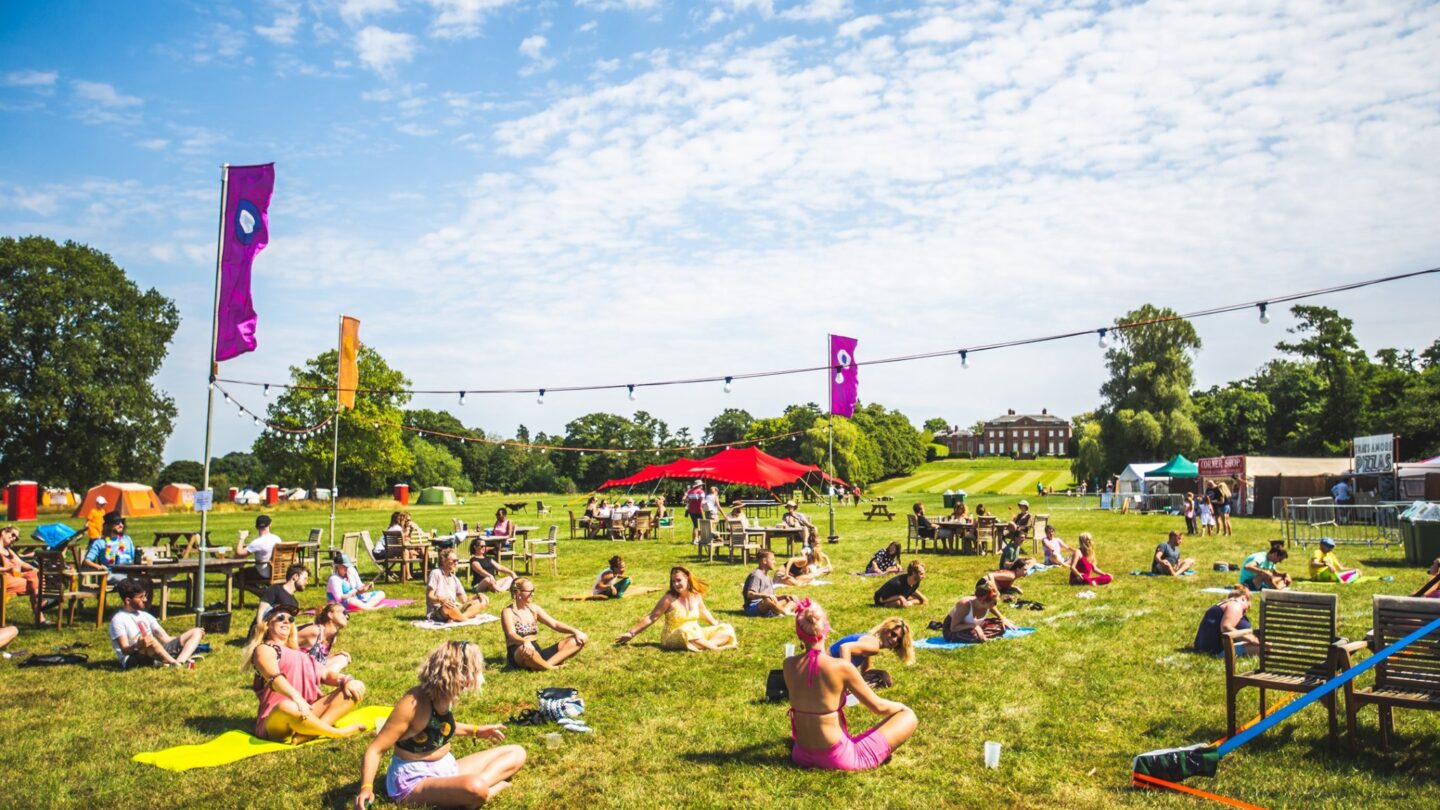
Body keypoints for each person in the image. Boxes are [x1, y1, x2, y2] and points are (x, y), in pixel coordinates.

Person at [355, 641, 524, 810]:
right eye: (472, 670)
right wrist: (366, 788)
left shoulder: (446, 695)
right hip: (414, 780)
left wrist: (476, 730)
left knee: (516, 752)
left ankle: (470, 792)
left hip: (447, 767)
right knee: (475, 787)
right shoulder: (412, 703)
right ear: (456, 672)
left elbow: (439, 726)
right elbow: (375, 749)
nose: (473, 677)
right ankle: (483, 791)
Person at [784, 600, 916, 771]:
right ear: (826, 629)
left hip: (800, 754)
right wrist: (902, 707)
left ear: (799, 634)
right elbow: (879, 707)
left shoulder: (788, 664)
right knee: (909, 716)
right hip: (836, 758)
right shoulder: (842, 667)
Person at [243, 602, 367, 743]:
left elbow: (325, 674)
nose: (286, 621)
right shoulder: (264, 648)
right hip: (278, 716)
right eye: (280, 618)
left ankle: (308, 733)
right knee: (287, 706)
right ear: (267, 624)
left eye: (290, 620)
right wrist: (297, 698)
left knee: (354, 690)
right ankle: (335, 733)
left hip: (307, 710)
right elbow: (274, 678)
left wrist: (347, 680)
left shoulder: (302, 655)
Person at [615, 566, 737, 651]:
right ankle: (715, 648)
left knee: (726, 628)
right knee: (687, 630)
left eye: (679, 580)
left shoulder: (695, 595)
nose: (675, 584)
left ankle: (704, 645)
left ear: (687, 579)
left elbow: (703, 611)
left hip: (696, 633)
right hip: (673, 636)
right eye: (673, 581)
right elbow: (652, 617)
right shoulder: (669, 598)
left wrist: (715, 624)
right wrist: (631, 633)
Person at [109, 578, 205, 669]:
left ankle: (180, 661)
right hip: (133, 658)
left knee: (196, 631)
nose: (145, 600)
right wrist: (138, 645)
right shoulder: (118, 619)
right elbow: (125, 650)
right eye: (141, 597)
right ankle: (174, 663)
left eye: (145, 596)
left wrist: (185, 641)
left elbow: (165, 639)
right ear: (128, 600)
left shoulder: (145, 615)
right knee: (150, 640)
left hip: (154, 650)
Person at [501, 578, 588, 670]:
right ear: (518, 592)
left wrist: (576, 631)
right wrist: (525, 642)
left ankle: (542, 666)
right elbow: (511, 634)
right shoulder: (508, 612)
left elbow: (555, 624)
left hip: (536, 651)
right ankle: (550, 668)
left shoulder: (534, 609)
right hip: (519, 651)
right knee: (525, 650)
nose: (532, 594)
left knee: (578, 640)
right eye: (529, 591)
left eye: (533, 591)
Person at [941, 576, 1017, 643]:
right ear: (983, 601)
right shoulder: (964, 604)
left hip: (974, 626)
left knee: (1001, 625)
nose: (995, 605)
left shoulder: (987, 604)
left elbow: (992, 607)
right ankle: (980, 634)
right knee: (974, 636)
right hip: (953, 630)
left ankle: (981, 633)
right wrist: (975, 626)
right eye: (994, 602)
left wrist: (1003, 619)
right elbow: (953, 628)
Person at [830, 617, 916, 672]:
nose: (894, 640)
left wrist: (882, 674)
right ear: (886, 629)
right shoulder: (873, 645)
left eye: (899, 640)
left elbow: (866, 671)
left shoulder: (871, 642)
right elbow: (845, 647)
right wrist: (845, 678)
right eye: (893, 634)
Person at [1193, 585, 1258, 655]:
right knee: (1265, 648)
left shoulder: (1223, 604)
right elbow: (1225, 628)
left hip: (1203, 648)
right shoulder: (1236, 605)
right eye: (1247, 607)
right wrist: (1252, 639)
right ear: (1244, 598)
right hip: (1217, 651)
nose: (1245, 612)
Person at [426, 549, 488, 623]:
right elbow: (429, 596)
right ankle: (464, 619)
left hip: (455, 607)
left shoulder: (454, 578)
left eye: (457, 560)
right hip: (438, 610)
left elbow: (465, 600)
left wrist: (478, 595)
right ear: (443, 561)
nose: (456, 563)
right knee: (448, 606)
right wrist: (441, 600)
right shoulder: (435, 573)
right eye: (454, 561)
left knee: (482, 602)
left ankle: (457, 618)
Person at [298, 601, 353, 681]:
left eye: (348, 615)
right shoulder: (315, 631)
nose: (346, 617)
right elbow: (285, 643)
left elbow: (318, 661)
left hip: (311, 672)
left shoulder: (332, 639)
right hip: (296, 672)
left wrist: (332, 657)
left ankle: (317, 682)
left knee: (343, 658)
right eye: (343, 612)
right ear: (330, 614)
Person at [82, 512, 137, 585]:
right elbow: (87, 561)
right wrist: (99, 567)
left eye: (122, 523)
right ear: (108, 526)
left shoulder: (127, 539)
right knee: (128, 581)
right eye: (117, 523)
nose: (121, 525)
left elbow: (134, 557)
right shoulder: (100, 543)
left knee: (146, 581)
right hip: (111, 574)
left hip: (129, 572)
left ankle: (140, 596)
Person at [1, 525, 41, 621]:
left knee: (33, 574)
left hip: (13, 576)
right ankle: (41, 601)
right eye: (13, 534)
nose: (14, 538)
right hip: (3, 579)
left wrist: (38, 570)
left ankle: (39, 596)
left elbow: (21, 563)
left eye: (16, 538)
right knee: (33, 584)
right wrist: (4, 569)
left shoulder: (8, 550)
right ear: (3, 532)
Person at [743, 550, 797, 617]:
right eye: (772, 560)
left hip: (768, 604)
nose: (775, 562)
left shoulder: (768, 577)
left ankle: (781, 611)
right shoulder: (756, 575)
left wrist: (784, 596)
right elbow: (749, 594)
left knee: (792, 598)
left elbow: (772, 597)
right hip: (753, 607)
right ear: (764, 561)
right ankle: (785, 613)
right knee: (768, 600)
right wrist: (765, 595)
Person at [256, 562, 310, 629]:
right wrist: (260, 631)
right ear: (295, 577)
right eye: (305, 579)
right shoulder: (275, 589)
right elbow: (262, 610)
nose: (307, 582)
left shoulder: (294, 603)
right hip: (265, 631)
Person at [234, 514, 283, 585]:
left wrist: (242, 537)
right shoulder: (277, 538)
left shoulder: (257, 542)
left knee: (235, 577)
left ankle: (262, 593)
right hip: (277, 572)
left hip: (263, 573)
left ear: (256, 527)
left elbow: (239, 554)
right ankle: (264, 591)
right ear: (270, 525)